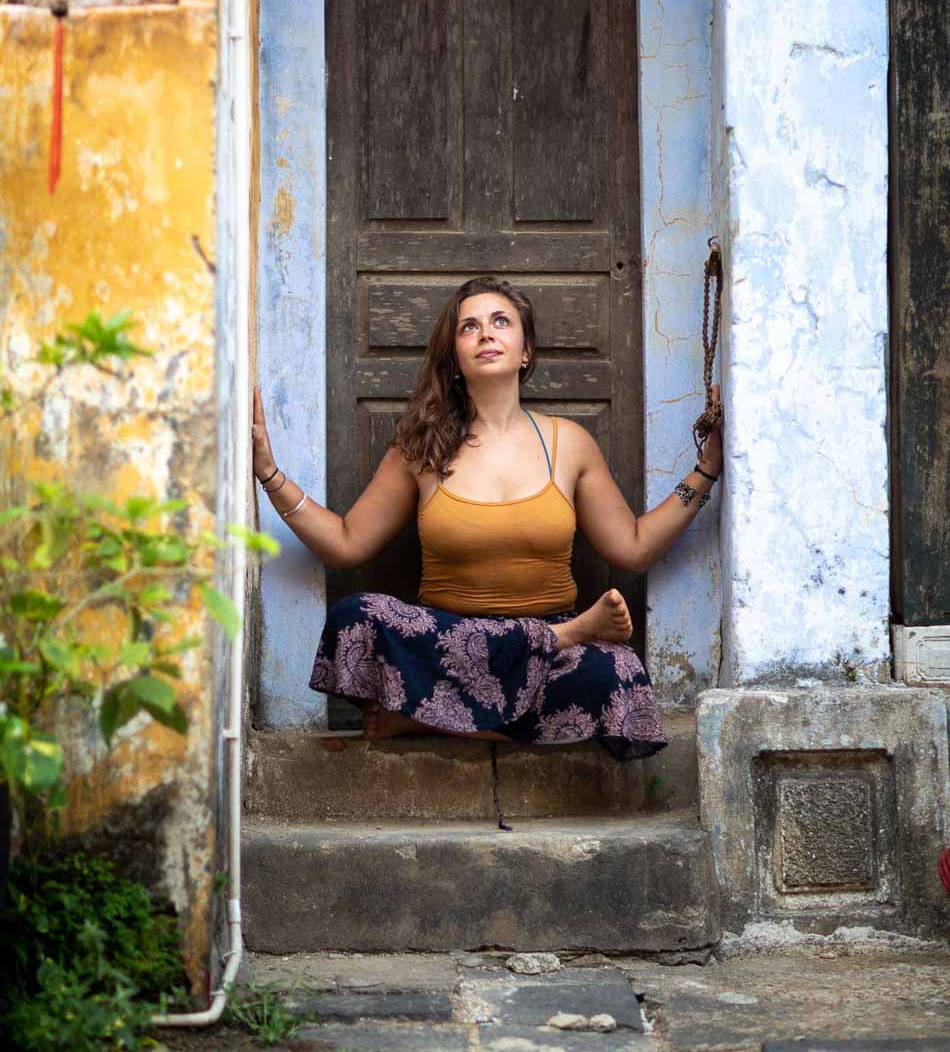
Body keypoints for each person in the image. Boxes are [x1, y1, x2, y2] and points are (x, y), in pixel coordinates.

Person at [252, 276, 722, 766]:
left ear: (525, 350)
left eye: (501, 322)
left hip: (547, 657)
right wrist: (269, 472)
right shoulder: (420, 446)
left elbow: (635, 547)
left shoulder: (570, 443)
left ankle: (426, 717)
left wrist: (706, 469)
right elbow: (347, 544)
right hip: (450, 646)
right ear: (455, 356)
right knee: (355, 617)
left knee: (617, 674)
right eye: (469, 327)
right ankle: (552, 648)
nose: (486, 334)